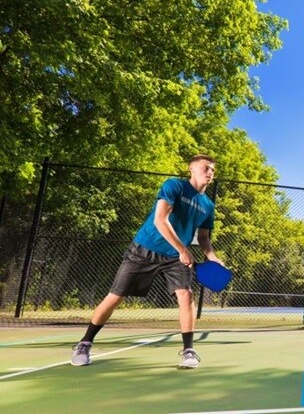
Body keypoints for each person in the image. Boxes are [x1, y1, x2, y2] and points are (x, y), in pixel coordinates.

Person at [71, 155, 222, 369]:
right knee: (115, 297)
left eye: (213, 170)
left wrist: (213, 257)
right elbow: (160, 220)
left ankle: (189, 351)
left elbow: (204, 238)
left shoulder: (207, 205)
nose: (210, 172)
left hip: (175, 259)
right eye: (206, 168)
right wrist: (182, 249)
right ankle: (84, 343)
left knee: (186, 296)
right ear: (191, 169)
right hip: (145, 249)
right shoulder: (174, 186)